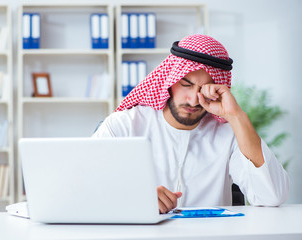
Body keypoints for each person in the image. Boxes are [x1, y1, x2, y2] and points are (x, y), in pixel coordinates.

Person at [92, 34, 289, 213]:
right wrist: (136, 197)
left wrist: (236, 116)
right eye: (186, 84)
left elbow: (271, 196)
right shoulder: (125, 125)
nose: (194, 100)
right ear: (170, 80)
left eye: (205, 89)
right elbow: (86, 186)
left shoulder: (229, 135)